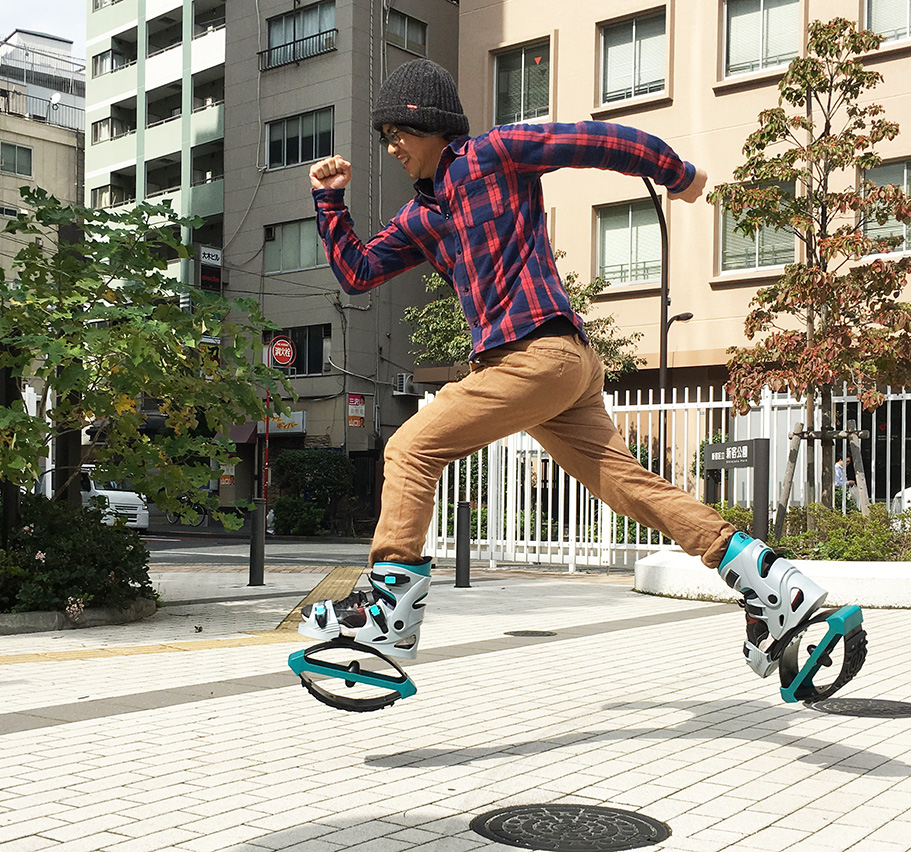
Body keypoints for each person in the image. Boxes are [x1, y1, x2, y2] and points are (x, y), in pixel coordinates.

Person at [299, 59, 829, 679]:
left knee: (411, 449)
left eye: (399, 133)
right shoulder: (422, 217)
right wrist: (329, 200)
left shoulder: (494, 154)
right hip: (561, 368)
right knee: (625, 486)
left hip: (537, 355)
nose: (391, 147)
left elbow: (595, 140)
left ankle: (389, 618)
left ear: (435, 125)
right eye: (384, 137)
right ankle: (770, 581)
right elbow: (357, 272)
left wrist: (675, 172)